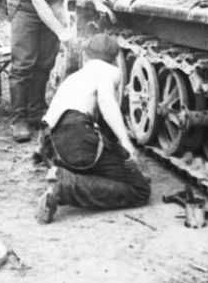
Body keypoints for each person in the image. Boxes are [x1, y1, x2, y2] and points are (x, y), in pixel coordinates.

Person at [7, 0, 116, 143]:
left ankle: (36, 110)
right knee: (24, 61)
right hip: (26, 2)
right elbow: (37, 0)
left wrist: (98, 3)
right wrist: (61, 31)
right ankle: (19, 119)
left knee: (46, 59)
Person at [35, 34, 151, 224]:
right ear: (115, 59)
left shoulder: (75, 77)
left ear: (86, 56)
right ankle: (65, 187)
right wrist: (127, 144)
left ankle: (63, 175)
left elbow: (48, 121)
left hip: (51, 145)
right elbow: (107, 103)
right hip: (77, 137)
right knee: (140, 189)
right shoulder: (110, 71)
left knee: (101, 160)